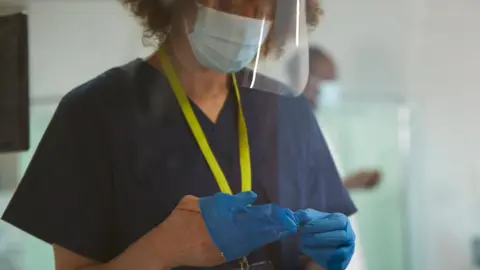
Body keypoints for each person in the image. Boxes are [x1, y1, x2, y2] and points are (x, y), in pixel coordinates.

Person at [2, 1, 357, 270]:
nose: (246, 17)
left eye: (261, 6)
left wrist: (323, 258)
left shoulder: (287, 110)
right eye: (226, 2)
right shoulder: (92, 114)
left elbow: (311, 255)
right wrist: (165, 249)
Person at [300, 46, 382, 190]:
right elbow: (300, 189)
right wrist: (350, 183)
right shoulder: (292, 126)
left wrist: (350, 183)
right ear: (304, 78)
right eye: (326, 81)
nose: (330, 88)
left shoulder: (314, 123)